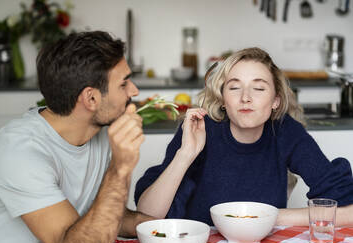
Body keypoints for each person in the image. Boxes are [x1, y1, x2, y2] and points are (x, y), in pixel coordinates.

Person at [135, 47, 353, 227]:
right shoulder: (201, 129)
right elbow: (148, 215)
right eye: (235, 87)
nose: (245, 97)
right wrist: (186, 154)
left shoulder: (285, 131)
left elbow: (348, 212)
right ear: (222, 98)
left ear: (275, 100)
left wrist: (273, 217)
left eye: (258, 88)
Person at [0, 31, 154, 243]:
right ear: (91, 98)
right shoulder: (19, 154)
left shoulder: (97, 133)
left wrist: (156, 226)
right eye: (124, 83)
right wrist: (120, 168)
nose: (134, 91)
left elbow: (101, 215)